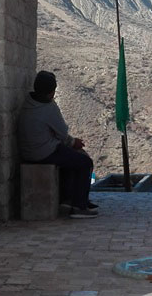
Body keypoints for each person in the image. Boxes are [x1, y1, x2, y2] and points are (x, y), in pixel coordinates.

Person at [18, 70, 97, 218]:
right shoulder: (48, 107)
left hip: (28, 152)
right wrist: (74, 142)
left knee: (70, 158)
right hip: (44, 152)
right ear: (51, 92)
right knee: (85, 162)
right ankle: (79, 206)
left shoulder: (28, 102)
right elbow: (62, 132)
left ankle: (67, 200)